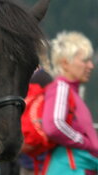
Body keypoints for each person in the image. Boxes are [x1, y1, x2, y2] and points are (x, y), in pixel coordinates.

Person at [41, 31, 98, 174]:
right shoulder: (61, 87)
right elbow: (54, 125)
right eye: (85, 60)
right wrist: (85, 143)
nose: (90, 66)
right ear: (65, 63)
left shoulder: (70, 91)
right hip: (69, 169)